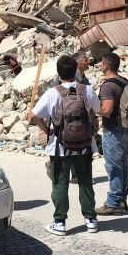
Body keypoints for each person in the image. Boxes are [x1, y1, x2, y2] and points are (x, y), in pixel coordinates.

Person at [29, 55, 101, 236]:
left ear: (58, 72)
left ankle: (60, 222)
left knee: (60, 183)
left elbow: (34, 115)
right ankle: (91, 219)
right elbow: (97, 110)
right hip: (84, 144)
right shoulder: (87, 90)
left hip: (60, 146)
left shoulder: (53, 93)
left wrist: (46, 130)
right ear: (76, 69)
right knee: (85, 181)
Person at [95, 53, 128, 216]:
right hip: (126, 128)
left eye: (101, 64)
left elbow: (107, 109)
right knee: (124, 165)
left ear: (106, 66)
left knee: (114, 167)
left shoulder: (108, 86)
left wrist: (92, 107)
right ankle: (122, 199)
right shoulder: (125, 81)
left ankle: (113, 203)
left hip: (113, 131)